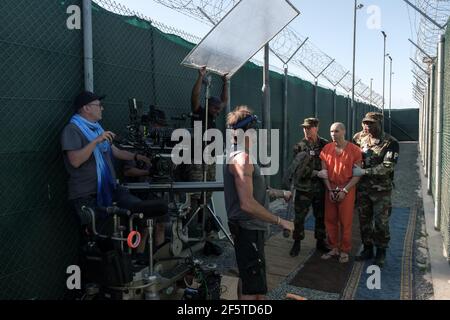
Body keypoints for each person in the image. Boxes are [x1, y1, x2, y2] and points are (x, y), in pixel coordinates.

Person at [61, 91, 167, 249]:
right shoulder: (72, 129)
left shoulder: (97, 128)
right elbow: (75, 161)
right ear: (86, 108)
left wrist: (139, 157)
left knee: (142, 210)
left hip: (109, 189)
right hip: (86, 195)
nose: (102, 109)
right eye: (98, 105)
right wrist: (96, 141)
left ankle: (136, 259)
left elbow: (115, 151)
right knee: (93, 240)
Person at [224, 106, 294, 300]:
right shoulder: (242, 159)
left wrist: (281, 193)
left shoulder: (242, 156)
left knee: (250, 280)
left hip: (249, 230)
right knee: (252, 287)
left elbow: (255, 192)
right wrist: (281, 222)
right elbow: (247, 204)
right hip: (248, 230)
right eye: (254, 130)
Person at [188, 66, 229, 255]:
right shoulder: (199, 113)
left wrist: (225, 82)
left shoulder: (213, 115)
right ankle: (192, 230)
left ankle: (204, 232)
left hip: (210, 159)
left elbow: (224, 101)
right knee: (196, 195)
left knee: (207, 194)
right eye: (215, 108)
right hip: (197, 159)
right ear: (209, 105)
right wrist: (200, 78)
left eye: (219, 109)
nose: (218, 111)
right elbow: (194, 98)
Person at [353, 112, 399, 268]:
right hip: (363, 189)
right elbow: (350, 154)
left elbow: (388, 167)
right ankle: (367, 249)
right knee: (364, 221)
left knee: (381, 223)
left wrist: (365, 172)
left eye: (371, 123)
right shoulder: (359, 138)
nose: (367, 125)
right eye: (365, 123)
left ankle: (381, 252)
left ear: (379, 123)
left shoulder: (390, 142)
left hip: (381, 191)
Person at [319, 123, 362, 263]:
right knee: (330, 219)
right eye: (331, 131)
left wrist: (345, 190)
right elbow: (324, 173)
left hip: (347, 189)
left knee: (345, 221)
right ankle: (334, 247)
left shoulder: (355, 150)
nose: (333, 134)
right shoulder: (326, 149)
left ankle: (345, 250)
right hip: (330, 188)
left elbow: (357, 174)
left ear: (343, 131)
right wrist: (330, 189)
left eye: (336, 131)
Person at [289, 118, 329, 257]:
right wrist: (317, 173)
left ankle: (320, 241)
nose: (306, 130)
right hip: (304, 188)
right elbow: (298, 169)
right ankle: (297, 242)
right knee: (299, 217)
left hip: (320, 188)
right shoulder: (299, 146)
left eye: (309, 127)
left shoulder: (325, 144)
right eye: (304, 127)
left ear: (316, 128)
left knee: (321, 216)